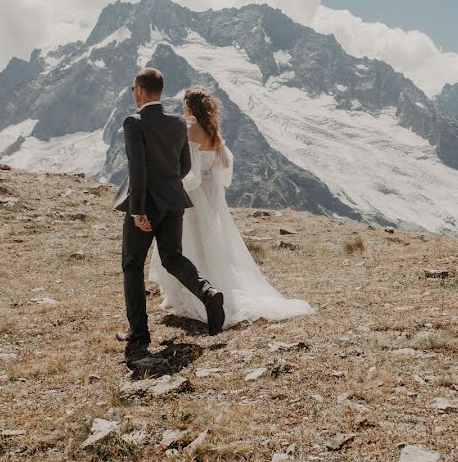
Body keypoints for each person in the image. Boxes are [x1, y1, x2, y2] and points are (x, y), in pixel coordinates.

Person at [149, 86, 315, 328]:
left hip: (192, 194)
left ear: (190, 106)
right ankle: (210, 285)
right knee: (208, 242)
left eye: (184, 102)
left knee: (185, 242)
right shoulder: (212, 131)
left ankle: (186, 293)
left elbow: (190, 173)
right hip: (211, 194)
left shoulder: (189, 131)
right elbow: (222, 168)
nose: (182, 106)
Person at [111, 69, 226, 361]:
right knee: (173, 257)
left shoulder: (134, 122)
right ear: (160, 91)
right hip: (175, 202)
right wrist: (169, 188)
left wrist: (137, 210)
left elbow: (138, 171)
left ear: (139, 89)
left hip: (146, 206)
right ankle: (208, 293)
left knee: (132, 265)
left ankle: (139, 330)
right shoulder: (178, 122)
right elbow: (185, 166)